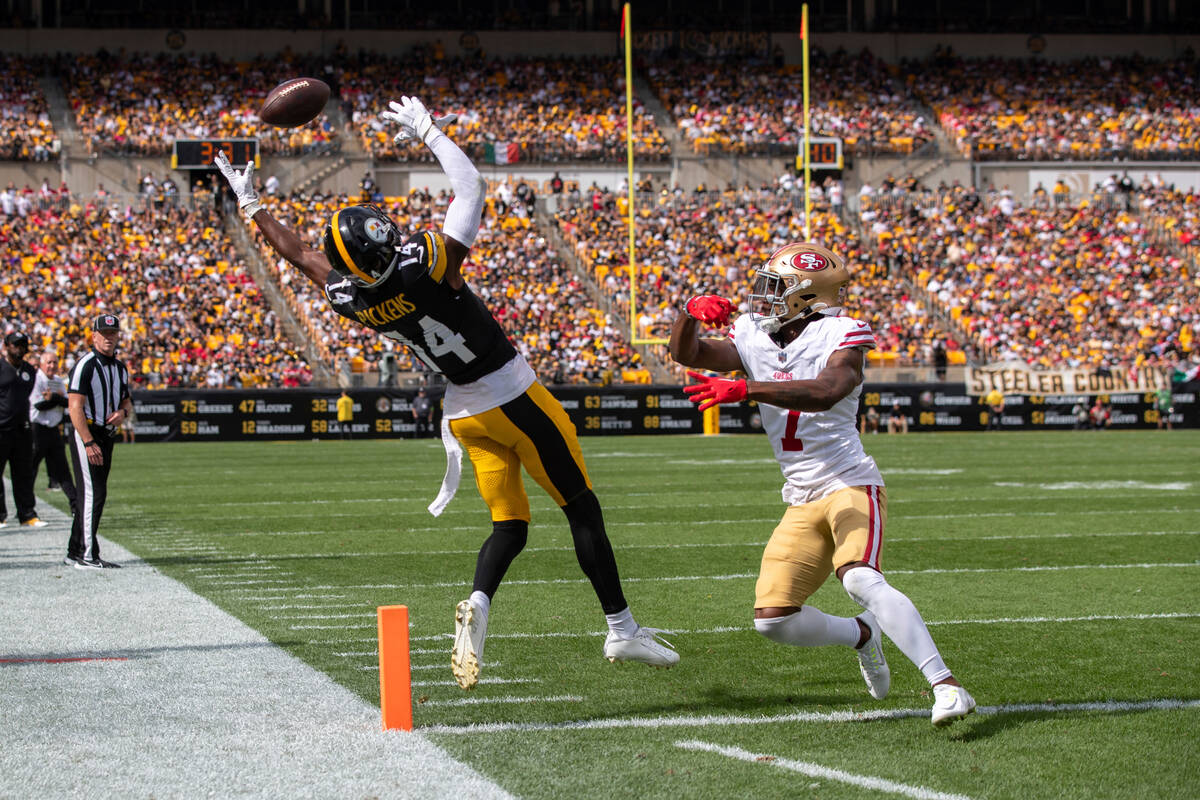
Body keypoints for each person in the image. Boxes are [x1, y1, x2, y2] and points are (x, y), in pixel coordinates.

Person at [215, 94, 677, 690]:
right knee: (581, 508)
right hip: (513, 396)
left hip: (463, 414)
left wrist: (251, 203)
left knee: (511, 526)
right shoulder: (428, 265)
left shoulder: (356, 299)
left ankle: (479, 603)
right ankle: (621, 628)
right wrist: (428, 130)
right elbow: (473, 188)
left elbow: (300, 253)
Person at [669, 242, 975, 727]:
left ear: (806, 298)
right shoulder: (754, 335)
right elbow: (687, 351)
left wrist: (749, 388)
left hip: (849, 481)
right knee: (773, 619)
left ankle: (946, 685)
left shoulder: (842, 332)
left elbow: (830, 389)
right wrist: (688, 314)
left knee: (858, 577)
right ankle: (861, 635)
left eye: (775, 289)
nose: (761, 298)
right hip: (800, 494)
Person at [64, 314, 133, 570]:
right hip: (88, 434)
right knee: (94, 494)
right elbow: (75, 407)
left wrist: (123, 413)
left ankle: (75, 550)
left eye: (112, 333)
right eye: (103, 333)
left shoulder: (120, 368)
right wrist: (88, 441)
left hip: (106, 434)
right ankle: (88, 554)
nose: (108, 338)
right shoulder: (86, 365)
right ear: (93, 335)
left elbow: (127, 401)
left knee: (91, 494)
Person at [0, 332, 48, 529]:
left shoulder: (30, 370)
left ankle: (27, 514)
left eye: (22, 345)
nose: (18, 348)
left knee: (24, 473)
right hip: (1, 428)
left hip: (23, 429)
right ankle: (0, 515)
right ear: (6, 346)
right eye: (15, 345)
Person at [30, 349, 77, 512]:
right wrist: (56, 400)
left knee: (63, 469)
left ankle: (75, 505)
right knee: (31, 469)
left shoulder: (57, 380)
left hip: (53, 430)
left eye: (54, 362)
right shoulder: (36, 378)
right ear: (42, 364)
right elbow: (38, 405)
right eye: (48, 362)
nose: (52, 365)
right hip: (37, 429)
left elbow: (68, 402)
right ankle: (27, 508)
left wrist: (54, 399)